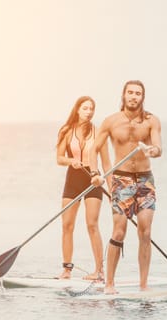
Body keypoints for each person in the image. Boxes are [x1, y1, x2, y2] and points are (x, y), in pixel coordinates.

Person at [89, 80, 162, 294]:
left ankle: (143, 285)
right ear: (123, 95)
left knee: (145, 232)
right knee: (119, 232)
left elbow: (158, 147)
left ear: (142, 97)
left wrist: (153, 151)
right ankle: (109, 284)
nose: (134, 97)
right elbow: (94, 150)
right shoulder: (111, 121)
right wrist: (95, 173)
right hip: (122, 180)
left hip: (145, 180)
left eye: (138, 93)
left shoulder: (151, 121)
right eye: (130, 93)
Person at [56, 96, 111, 281]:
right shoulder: (66, 130)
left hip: (93, 179)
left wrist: (110, 188)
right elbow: (59, 158)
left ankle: (99, 271)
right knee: (67, 225)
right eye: (85, 108)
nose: (89, 112)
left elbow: (106, 162)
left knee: (92, 224)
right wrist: (72, 161)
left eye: (91, 109)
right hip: (73, 178)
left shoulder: (99, 132)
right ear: (77, 109)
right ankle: (66, 270)